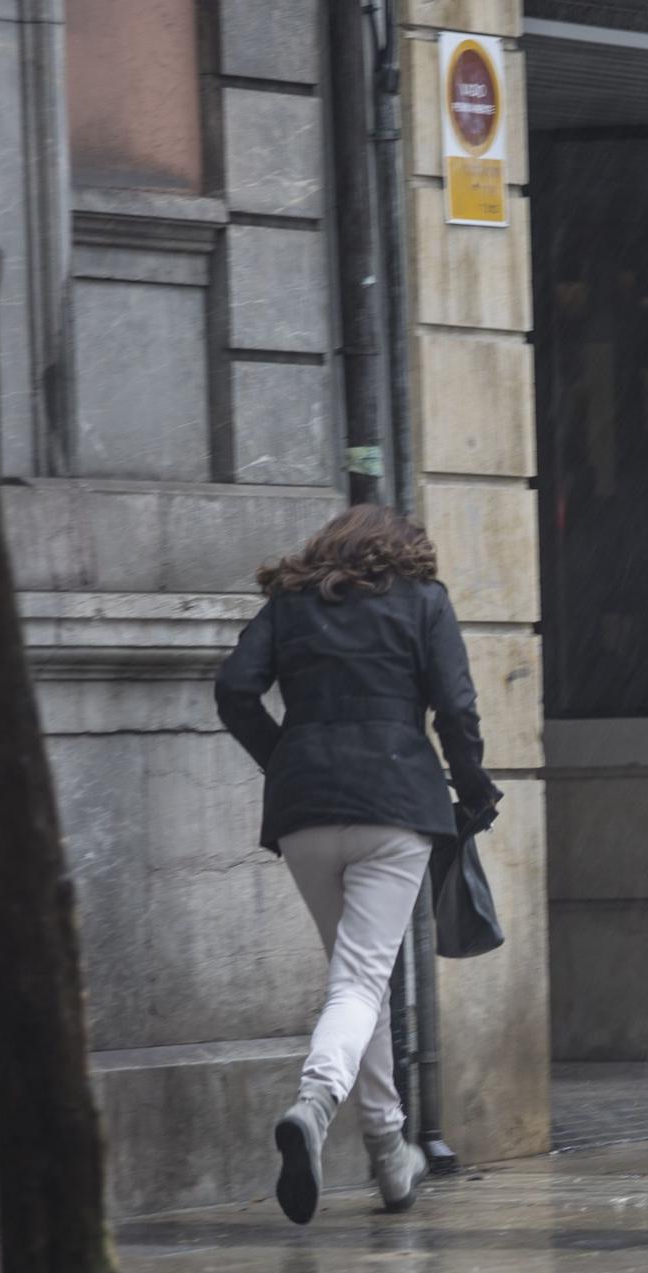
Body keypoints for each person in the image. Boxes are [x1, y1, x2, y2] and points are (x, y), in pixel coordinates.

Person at [215, 504, 502, 1224]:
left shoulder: (288, 603)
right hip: (396, 804)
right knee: (360, 979)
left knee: (357, 979)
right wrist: (472, 790)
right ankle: (314, 1104)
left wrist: (285, 757)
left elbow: (233, 690)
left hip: (305, 809)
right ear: (404, 552)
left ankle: (389, 1153)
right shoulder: (424, 602)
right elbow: (456, 709)